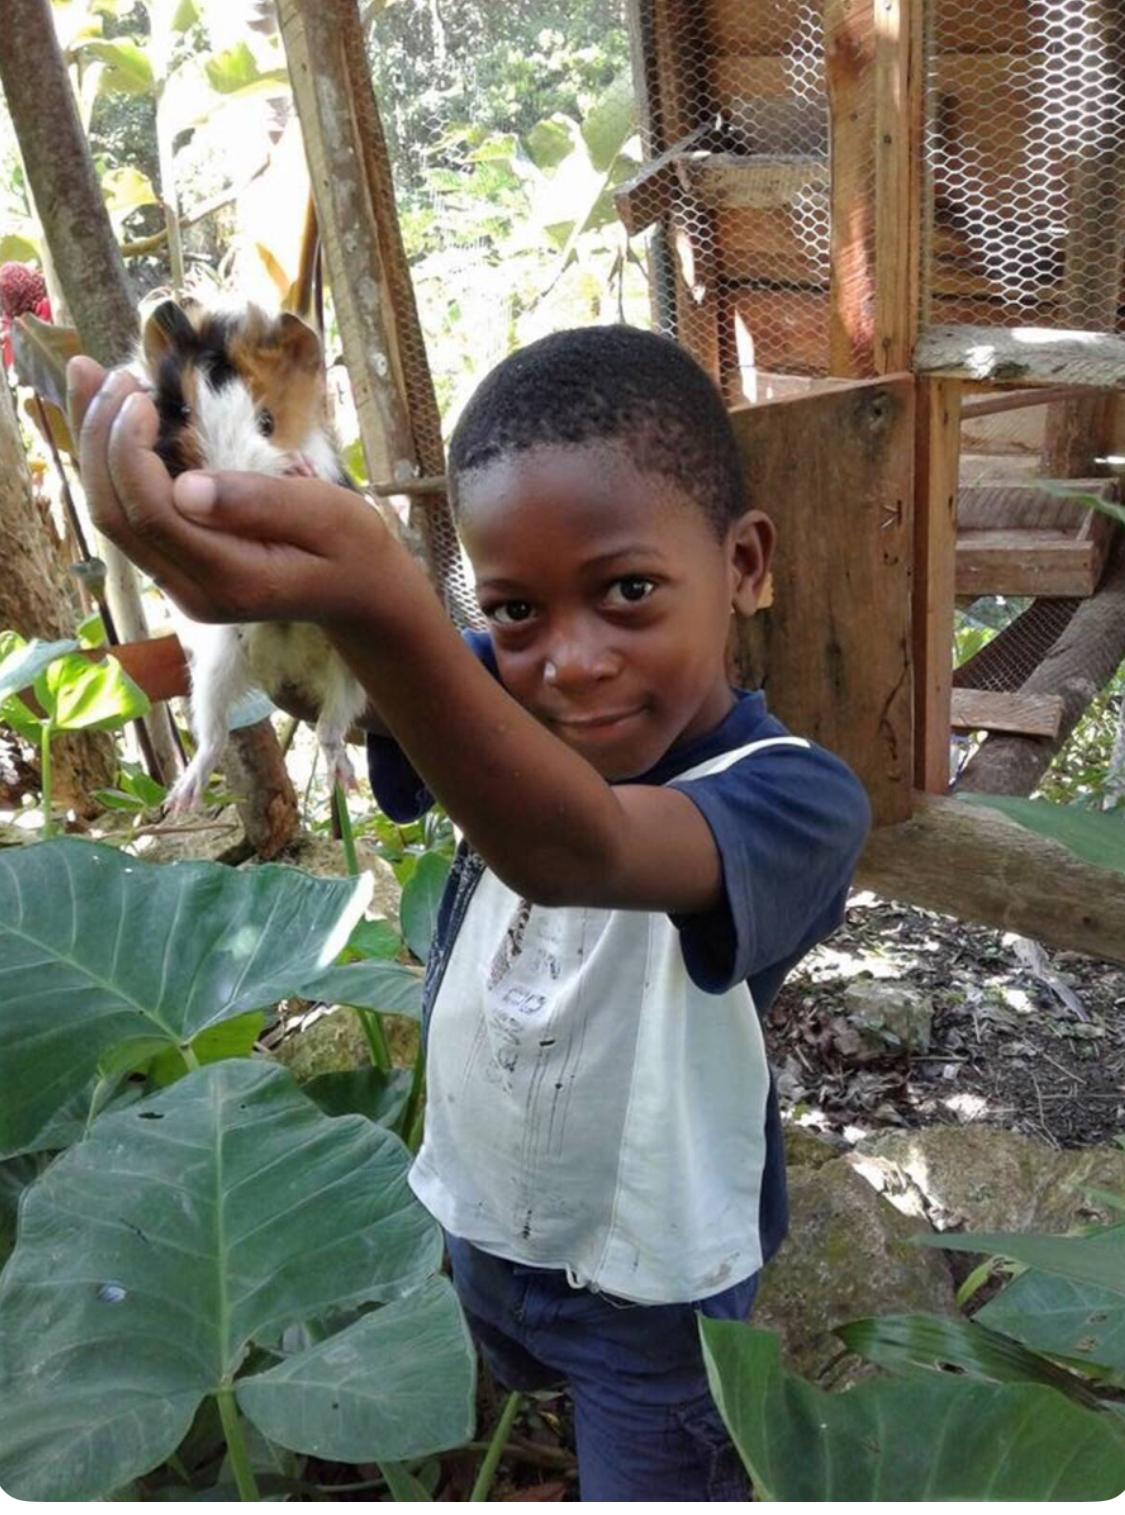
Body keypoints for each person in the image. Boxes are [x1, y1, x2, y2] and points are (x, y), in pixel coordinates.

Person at [68, 324, 871, 1502]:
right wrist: (254, 543)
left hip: (653, 1298)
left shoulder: (797, 798)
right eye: (514, 611)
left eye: (629, 592)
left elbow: (574, 845)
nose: (568, 664)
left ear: (745, 563)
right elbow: (359, 679)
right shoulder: (504, 698)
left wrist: (380, 598)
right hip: (480, 1226)